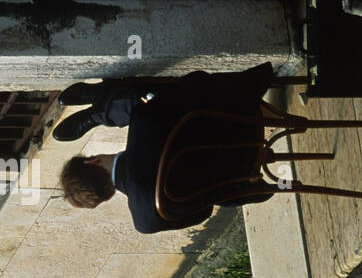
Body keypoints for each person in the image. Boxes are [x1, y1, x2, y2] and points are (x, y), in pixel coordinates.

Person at [57, 63, 278, 234]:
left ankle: (104, 104)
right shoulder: (142, 123)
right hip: (239, 115)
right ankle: (105, 102)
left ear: (106, 198)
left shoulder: (146, 221)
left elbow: (203, 213)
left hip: (246, 176)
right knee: (153, 96)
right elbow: (194, 84)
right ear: (92, 160)